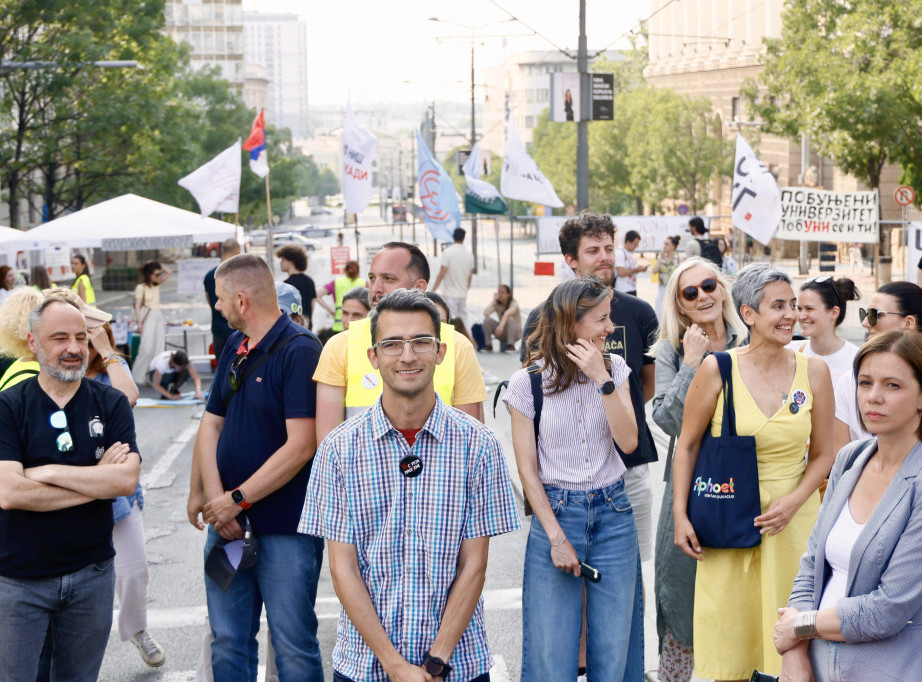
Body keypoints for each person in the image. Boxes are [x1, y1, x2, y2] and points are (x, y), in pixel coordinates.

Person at [300, 289, 519, 682]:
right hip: (366, 665)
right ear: (373, 356)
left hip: (457, 664)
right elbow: (343, 568)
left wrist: (436, 661)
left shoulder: (479, 445)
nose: (407, 355)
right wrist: (395, 665)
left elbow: (474, 565)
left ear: (440, 351)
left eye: (420, 341)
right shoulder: (338, 450)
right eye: (392, 344)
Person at [672, 263, 836, 679]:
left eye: (793, 305)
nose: (790, 315)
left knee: (793, 648)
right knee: (732, 641)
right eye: (778, 306)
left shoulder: (814, 370)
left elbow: (824, 453)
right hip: (729, 521)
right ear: (748, 313)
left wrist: (793, 502)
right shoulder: (717, 369)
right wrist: (679, 515)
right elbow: (687, 445)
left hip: (793, 526)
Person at [191, 254, 325, 679]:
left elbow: (302, 446)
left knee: (293, 644)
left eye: (220, 298)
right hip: (229, 527)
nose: (217, 306)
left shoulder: (301, 350)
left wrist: (235, 500)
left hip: (285, 529)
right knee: (227, 639)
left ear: (242, 300)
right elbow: (211, 424)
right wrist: (216, 501)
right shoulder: (236, 343)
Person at [506, 277, 642, 680]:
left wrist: (602, 379)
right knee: (549, 653)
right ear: (571, 323)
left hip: (613, 513)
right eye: (601, 319)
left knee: (614, 652)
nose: (610, 328)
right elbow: (527, 471)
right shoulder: (528, 382)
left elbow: (629, 442)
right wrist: (556, 538)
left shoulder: (614, 368)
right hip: (557, 512)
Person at [0, 298, 140, 680]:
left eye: (81, 337)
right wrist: (96, 481)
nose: (74, 348)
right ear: (33, 342)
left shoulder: (111, 403)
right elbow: (11, 492)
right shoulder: (8, 406)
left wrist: (46, 472)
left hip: (92, 573)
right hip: (20, 580)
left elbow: (125, 480)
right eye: (60, 338)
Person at [774, 330, 922, 681]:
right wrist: (794, 653)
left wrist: (800, 626)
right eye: (865, 382)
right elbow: (811, 566)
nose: (873, 397)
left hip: (887, 669)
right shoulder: (850, 458)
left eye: (892, 385)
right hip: (814, 665)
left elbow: (888, 609)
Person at [521, 213, 659, 568]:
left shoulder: (641, 312)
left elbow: (647, 384)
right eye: (593, 250)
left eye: (609, 248)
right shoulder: (542, 318)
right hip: (566, 481)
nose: (605, 257)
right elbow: (532, 400)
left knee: (629, 579)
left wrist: (613, 405)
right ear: (571, 260)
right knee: (573, 581)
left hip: (630, 467)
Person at [651, 257, 748, 682]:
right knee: (681, 594)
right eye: (689, 293)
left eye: (708, 285)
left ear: (722, 288)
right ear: (680, 305)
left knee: (743, 600)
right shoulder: (672, 350)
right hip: (692, 486)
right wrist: (691, 363)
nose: (702, 296)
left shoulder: (752, 337)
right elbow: (668, 421)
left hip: (748, 483)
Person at [313, 241, 487, 443]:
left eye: (388, 278)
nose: (376, 288)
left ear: (419, 287)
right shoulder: (340, 346)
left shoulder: (458, 346)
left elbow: (471, 441)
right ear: (373, 355)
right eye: (372, 278)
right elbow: (328, 444)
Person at [85, 320, 165, 667]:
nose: (80, 346)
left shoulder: (111, 371)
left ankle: (137, 629)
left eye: (88, 337)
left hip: (117, 493)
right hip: (72, 493)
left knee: (133, 571)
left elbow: (128, 396)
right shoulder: (57, 374)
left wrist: (106, 351)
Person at [833, 281, 922, 449]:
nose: (865, 323)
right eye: (865, 383)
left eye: (875, 315)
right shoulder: (849, 381)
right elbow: (840, 456)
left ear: (909, 323)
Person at [787, 276, 861, 387]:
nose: (801, 316)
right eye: (799, 309)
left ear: (834, 312)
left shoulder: (856, 359)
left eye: (809, 309)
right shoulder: (790, 352)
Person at [132, 260, 172, 386]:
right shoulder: (141, 287)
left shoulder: (156, 284)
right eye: (156, 274)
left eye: (159, 274)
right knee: (146, 347)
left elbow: (169, 272)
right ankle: (137, 377)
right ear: (149, 274)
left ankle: (150, 376)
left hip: (157, 315)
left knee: (158, 347)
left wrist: (157, 263)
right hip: (148, 316)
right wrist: (139, 323)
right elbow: (137, 306)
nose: (159, 276)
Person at [204, 238, 241, 361]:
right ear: (237, 252)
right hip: (237, 329)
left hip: (218, 330)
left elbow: (210, 302)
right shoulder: (239, 275)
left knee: (222, 367)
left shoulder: (210, 275)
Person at [432, 227, 474, 323]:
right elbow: (470, 276)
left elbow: (442, 273)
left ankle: (450, 334)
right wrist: (466, 289)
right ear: (464, 238)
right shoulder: (469, 254)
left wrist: (433, 289)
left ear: (453, 236)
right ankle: (466, 333)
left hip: (449, 293)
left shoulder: (448, 253)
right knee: (463, 319)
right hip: (462, 292)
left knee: (449, 320)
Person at [277, 244, 318, 329]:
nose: (280, 262)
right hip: (307, 326)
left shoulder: (286, 286)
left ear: (291, 261)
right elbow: (312, 306)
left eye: (283, 259)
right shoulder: (309, 281)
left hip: (292, 328)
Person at [317, 260, 364, 332]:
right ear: (358, 271)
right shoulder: (363, 283)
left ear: (345, 270)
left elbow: (317, 295)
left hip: (339, 326)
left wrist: (331, 311)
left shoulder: (336, 282)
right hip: (358, 326)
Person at [482, 284, 521, 352]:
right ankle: (488, 345)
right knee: (487, 320)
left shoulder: (514, 304)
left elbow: (507, 313)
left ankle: (511, 346)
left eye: (502, 292)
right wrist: (493, 300)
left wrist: (500, 326)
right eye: (499, 292)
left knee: (510, 319)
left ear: (508, 294)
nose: (500, 294)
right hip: (502, 332)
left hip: (515, 333)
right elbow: (486, 313)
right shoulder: (497, 303)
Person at [654, 236, 681, 319]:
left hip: (674, 289)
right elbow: (654, 271)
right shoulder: (661, 258)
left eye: (667, 244)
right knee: (660, 313)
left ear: (673, 246)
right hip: (662, 289)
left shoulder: (678, 258)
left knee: (673, 314)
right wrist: (660, 258)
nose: (664, 246)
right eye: (664, 244)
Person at [615, 229, 647, 296]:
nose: (636, 246)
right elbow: (621, 272)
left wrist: (639, 269)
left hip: (631, 288)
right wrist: (636, 269)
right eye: (635, 244)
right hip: (623, 290)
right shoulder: (620, 252)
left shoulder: (629, 253)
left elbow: (630, 270)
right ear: (628, 242)